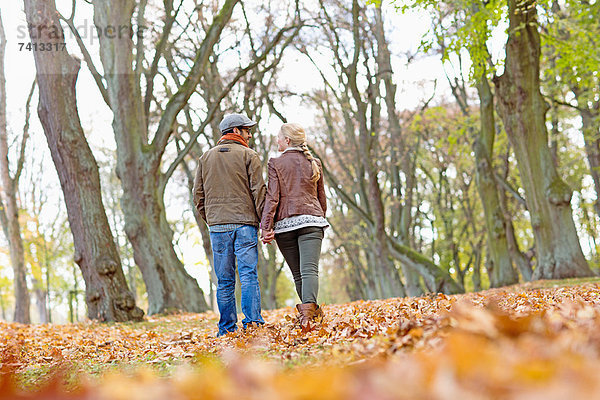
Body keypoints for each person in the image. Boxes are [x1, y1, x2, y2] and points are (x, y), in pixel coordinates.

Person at [193, 113, 266, 337]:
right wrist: (264, 221)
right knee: (248, 276)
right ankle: (253, 324)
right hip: (245, 224)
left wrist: (212, 218)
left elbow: (198, 195)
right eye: (247, 130)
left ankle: (226, 329)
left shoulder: (205, 158)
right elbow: (259, 191)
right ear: (235, 131)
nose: (250, 134)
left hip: (218, 227)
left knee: (224, 280)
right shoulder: (249, 155)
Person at [261, 123, 328, 329]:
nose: (277, 141)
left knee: (299, 273)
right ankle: (310, 317)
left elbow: (272, 197)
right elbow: (321, 198)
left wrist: (266, 227)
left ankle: (308, 318)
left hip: (285, 226)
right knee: (309, 271)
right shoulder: (314, 162)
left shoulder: (275, 163)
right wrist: (318, 217)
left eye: (279, 138)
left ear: (287, 141)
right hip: (313, 222)